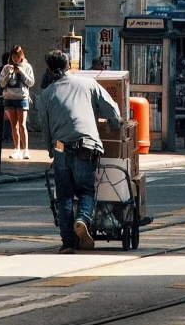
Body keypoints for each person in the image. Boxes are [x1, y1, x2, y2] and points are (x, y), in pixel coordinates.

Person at [35, 47, 122, 252]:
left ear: (49, 69)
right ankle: (82, 219)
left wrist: (51, 152)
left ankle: (68, 242)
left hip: (61, 148)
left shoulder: (46, 95)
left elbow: (45, 129)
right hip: (86, 145)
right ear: (70, 65)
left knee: (64, 194)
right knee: (86, 190)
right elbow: (113, 111)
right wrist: (115, 125)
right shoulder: (88, 83)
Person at [0, 45, 35, 160]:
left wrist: (22, 73)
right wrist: (9, 74)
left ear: (21, 56)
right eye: (13, 56)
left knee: (22, 124)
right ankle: (17, 149)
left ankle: (26, 150)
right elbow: (1, 84)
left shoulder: (27, 66)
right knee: (13, 125)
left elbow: (31, 82)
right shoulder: (6, 68)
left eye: (18, 57)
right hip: (9, 98)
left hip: (22, 98)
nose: (15, 59)